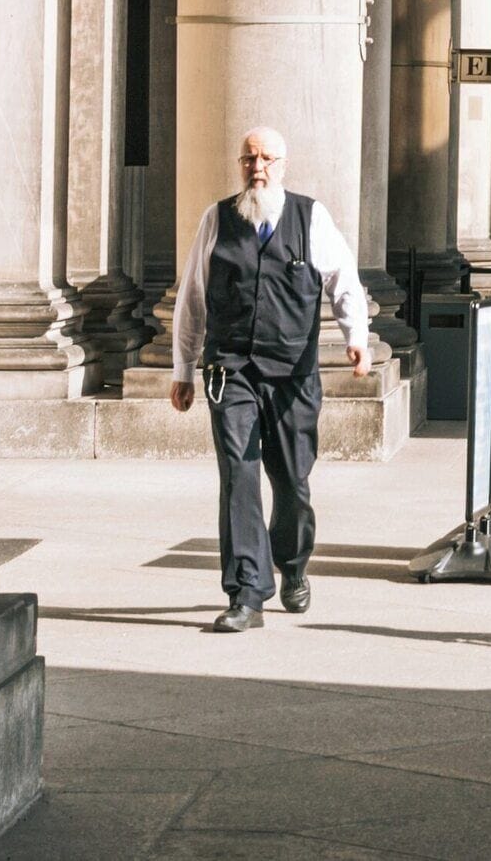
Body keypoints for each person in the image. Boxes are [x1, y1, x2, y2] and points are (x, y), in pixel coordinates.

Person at [168, 128, 375, 631]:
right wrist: (183, 369)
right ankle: (246, 593)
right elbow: (191, 298)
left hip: (292, 375)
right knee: (238, 475)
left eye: (266, 159)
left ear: (282, 165)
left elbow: (344, 281)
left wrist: (358, 337)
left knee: (291, 481)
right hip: (231, 369)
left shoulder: (311, 216)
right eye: (248, 158)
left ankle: (294, 563)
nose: (256, 167)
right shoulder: (216, 219)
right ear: (239, 165)